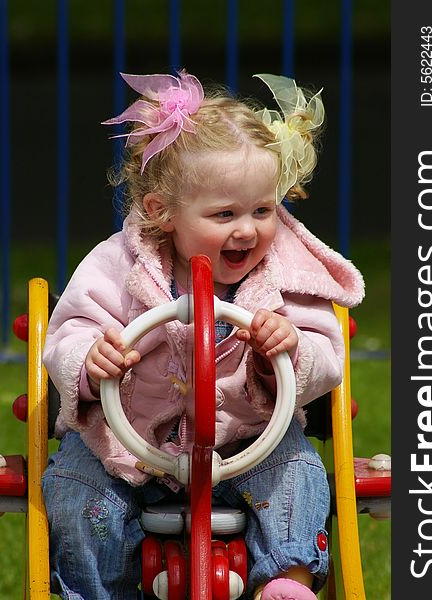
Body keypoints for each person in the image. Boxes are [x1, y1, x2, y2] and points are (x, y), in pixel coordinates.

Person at [42, 70, 364, 600]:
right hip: (129, 447)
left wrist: (286, 351)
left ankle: (286, 581)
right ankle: (95, 591)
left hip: (250, 444)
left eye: (263, 210)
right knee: (76, 492)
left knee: (301, 472)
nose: (248, 229)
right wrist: (89, 357)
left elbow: (325, 357)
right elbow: (72, 328)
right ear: (162, 212)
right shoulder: (120, 265)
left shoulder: (285, 273)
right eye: (224, 214)